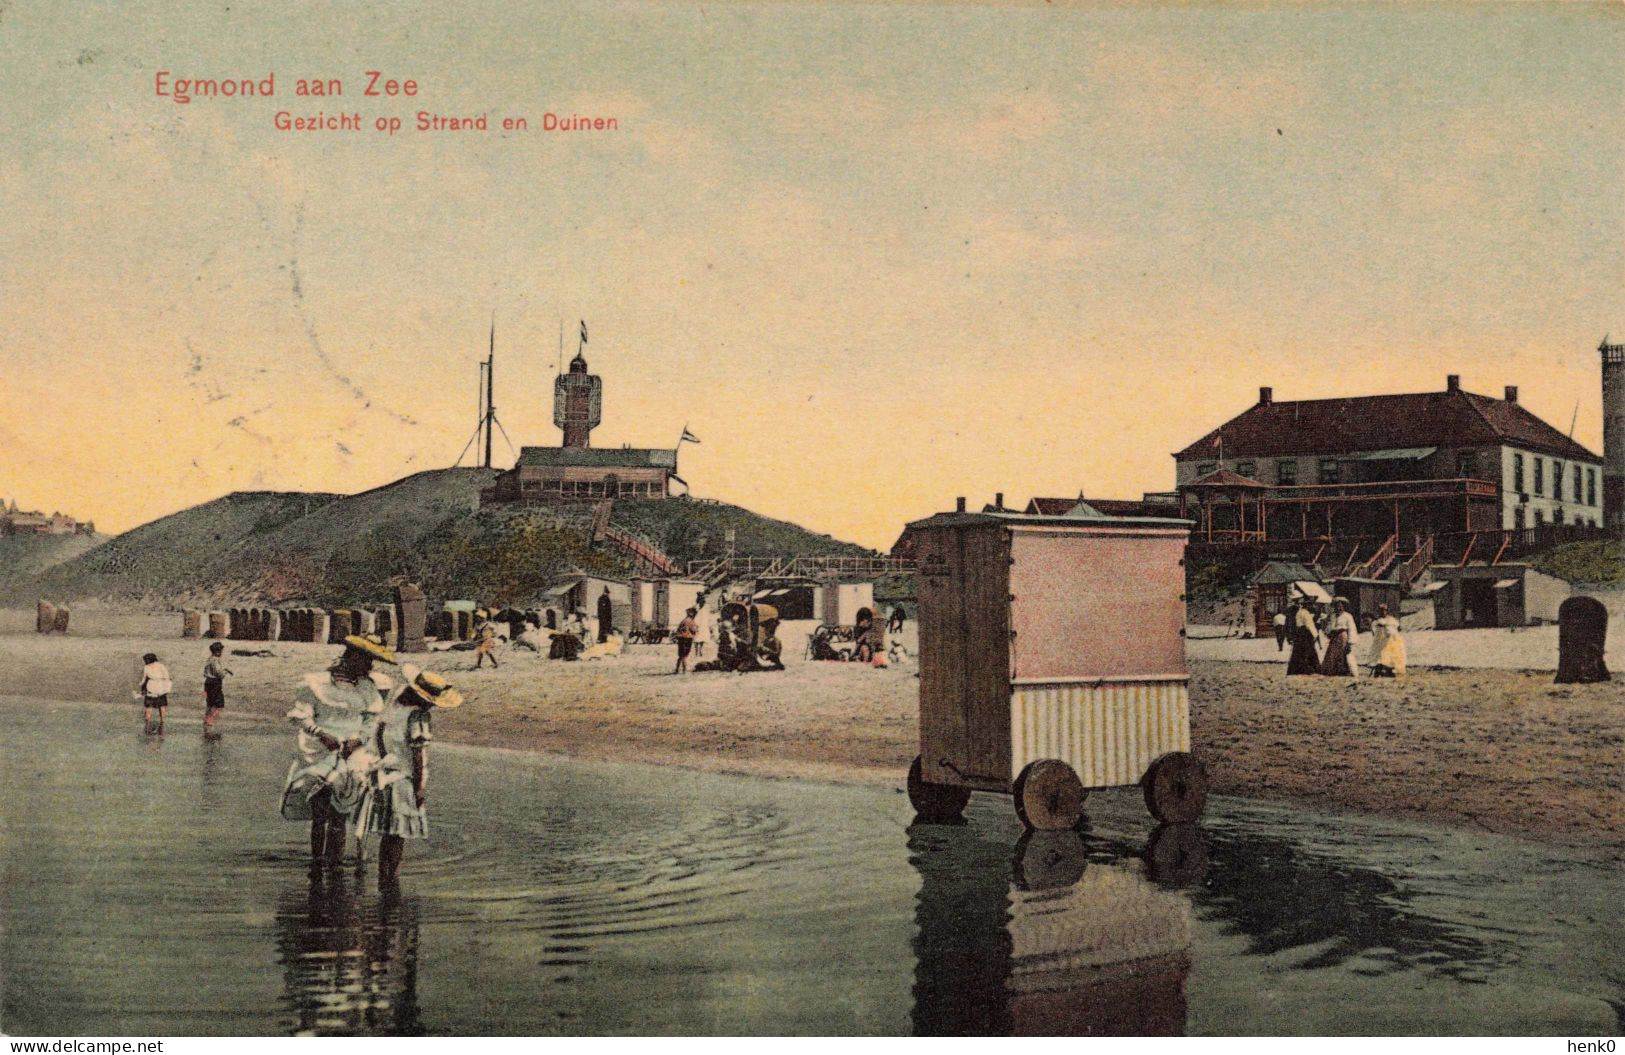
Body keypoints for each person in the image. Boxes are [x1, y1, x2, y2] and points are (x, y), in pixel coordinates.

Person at [280, 634, 397, 873]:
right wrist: (321, 734)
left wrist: (358, 739)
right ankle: (317, 865)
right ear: (352, 657)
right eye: (366, 661)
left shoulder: (367, 687)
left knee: (339, 813)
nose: (369, 667)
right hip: (320, 751)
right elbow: (302, 716)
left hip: (352, 754)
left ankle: (334, 865)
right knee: (320, 814)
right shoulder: (316, 682)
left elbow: (370, 720)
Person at [363, 664, 462, 888]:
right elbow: (419, 758)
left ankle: (383, 880)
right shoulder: (418, 716)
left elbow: (378, 734)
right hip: (402, 779)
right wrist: (420, 788)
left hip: (383, 774)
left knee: (388, 835)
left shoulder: (395, 703)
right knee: (398, 837)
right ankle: (392, 883)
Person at [1320, 598, 1359, 678]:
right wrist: (1328, 633)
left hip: (1342, 636)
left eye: (1341, 606)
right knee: (1332, 654)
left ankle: (1345, 671)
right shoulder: (1333, 616)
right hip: (1334, 637)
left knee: (1344, 653)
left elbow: (1351, 628)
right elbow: (1329, 625)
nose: (1339, 608)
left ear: (1343, 607)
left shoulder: (1348, 616)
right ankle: (1332, 671)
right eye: (1337, 606)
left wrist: (1350, 642)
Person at [1366, 604, 1406, 678]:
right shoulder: (1376, 622)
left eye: (1384, 610)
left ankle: (1389, 671)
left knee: (1390, 656)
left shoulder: (1392, 620)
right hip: (1380, 642)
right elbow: (1374, 632)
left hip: (1390, 641)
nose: (1383, 612)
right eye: (1381, 610)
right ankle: (1379, 670)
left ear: (1387, 611)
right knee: (1379, 656)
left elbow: (1396, 629)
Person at [138, 652, 173, 733]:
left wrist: (141, 685)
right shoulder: (160, 665)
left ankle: (148, 720)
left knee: (149, 705)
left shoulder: (147, 667)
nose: (146, 662)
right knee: (161, 705)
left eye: (146, 660)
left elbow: (144, 679)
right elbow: (167, 676)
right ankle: (161, 721)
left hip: (153, 686)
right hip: (158, 687)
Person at [203, 641, 233, 735]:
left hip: (208, 682)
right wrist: (226, 672)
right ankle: (210, 720)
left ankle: (206, 719)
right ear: (218, 651)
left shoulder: (209, 659)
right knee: (219, 705)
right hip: (215, 683)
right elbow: (219, 673)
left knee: (210, 702)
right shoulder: (215, 660)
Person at [1285, 603, 1320, 676]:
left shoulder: (1299, 612)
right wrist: (1315, 635)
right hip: (1305, 633)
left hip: (1299, 633)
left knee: (1298, 650)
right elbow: (1309, 625)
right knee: (1308, 650)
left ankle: (1297, 669)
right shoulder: (1306, 613)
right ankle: (1310, 668)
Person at [674, 607, 698, 674]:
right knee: (685, 655)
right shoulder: (691, 621)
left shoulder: (683, 620)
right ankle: (684, 671)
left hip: (680, 638)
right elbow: (694, 630)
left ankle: (677, 669)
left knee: (680, 655)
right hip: (687, 638)